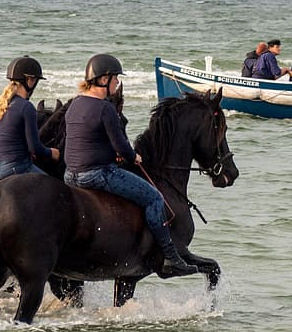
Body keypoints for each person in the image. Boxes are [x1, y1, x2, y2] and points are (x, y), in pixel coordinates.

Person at [64, 53, 198, 278]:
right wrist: (133, 156)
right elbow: (121, 146)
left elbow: (83, 141)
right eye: (115, 78)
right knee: (154, 198)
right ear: (103, 79)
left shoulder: (75, 104)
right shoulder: (105, 108)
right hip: (97, 174)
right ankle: (170, 257)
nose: (117, 82)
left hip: (70, 176)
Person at [0, 56, 60, 179]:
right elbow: (34, 147)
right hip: (14, 168)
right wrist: (52, 153)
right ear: (30, 80)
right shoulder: (26, 106)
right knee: (55, 189)